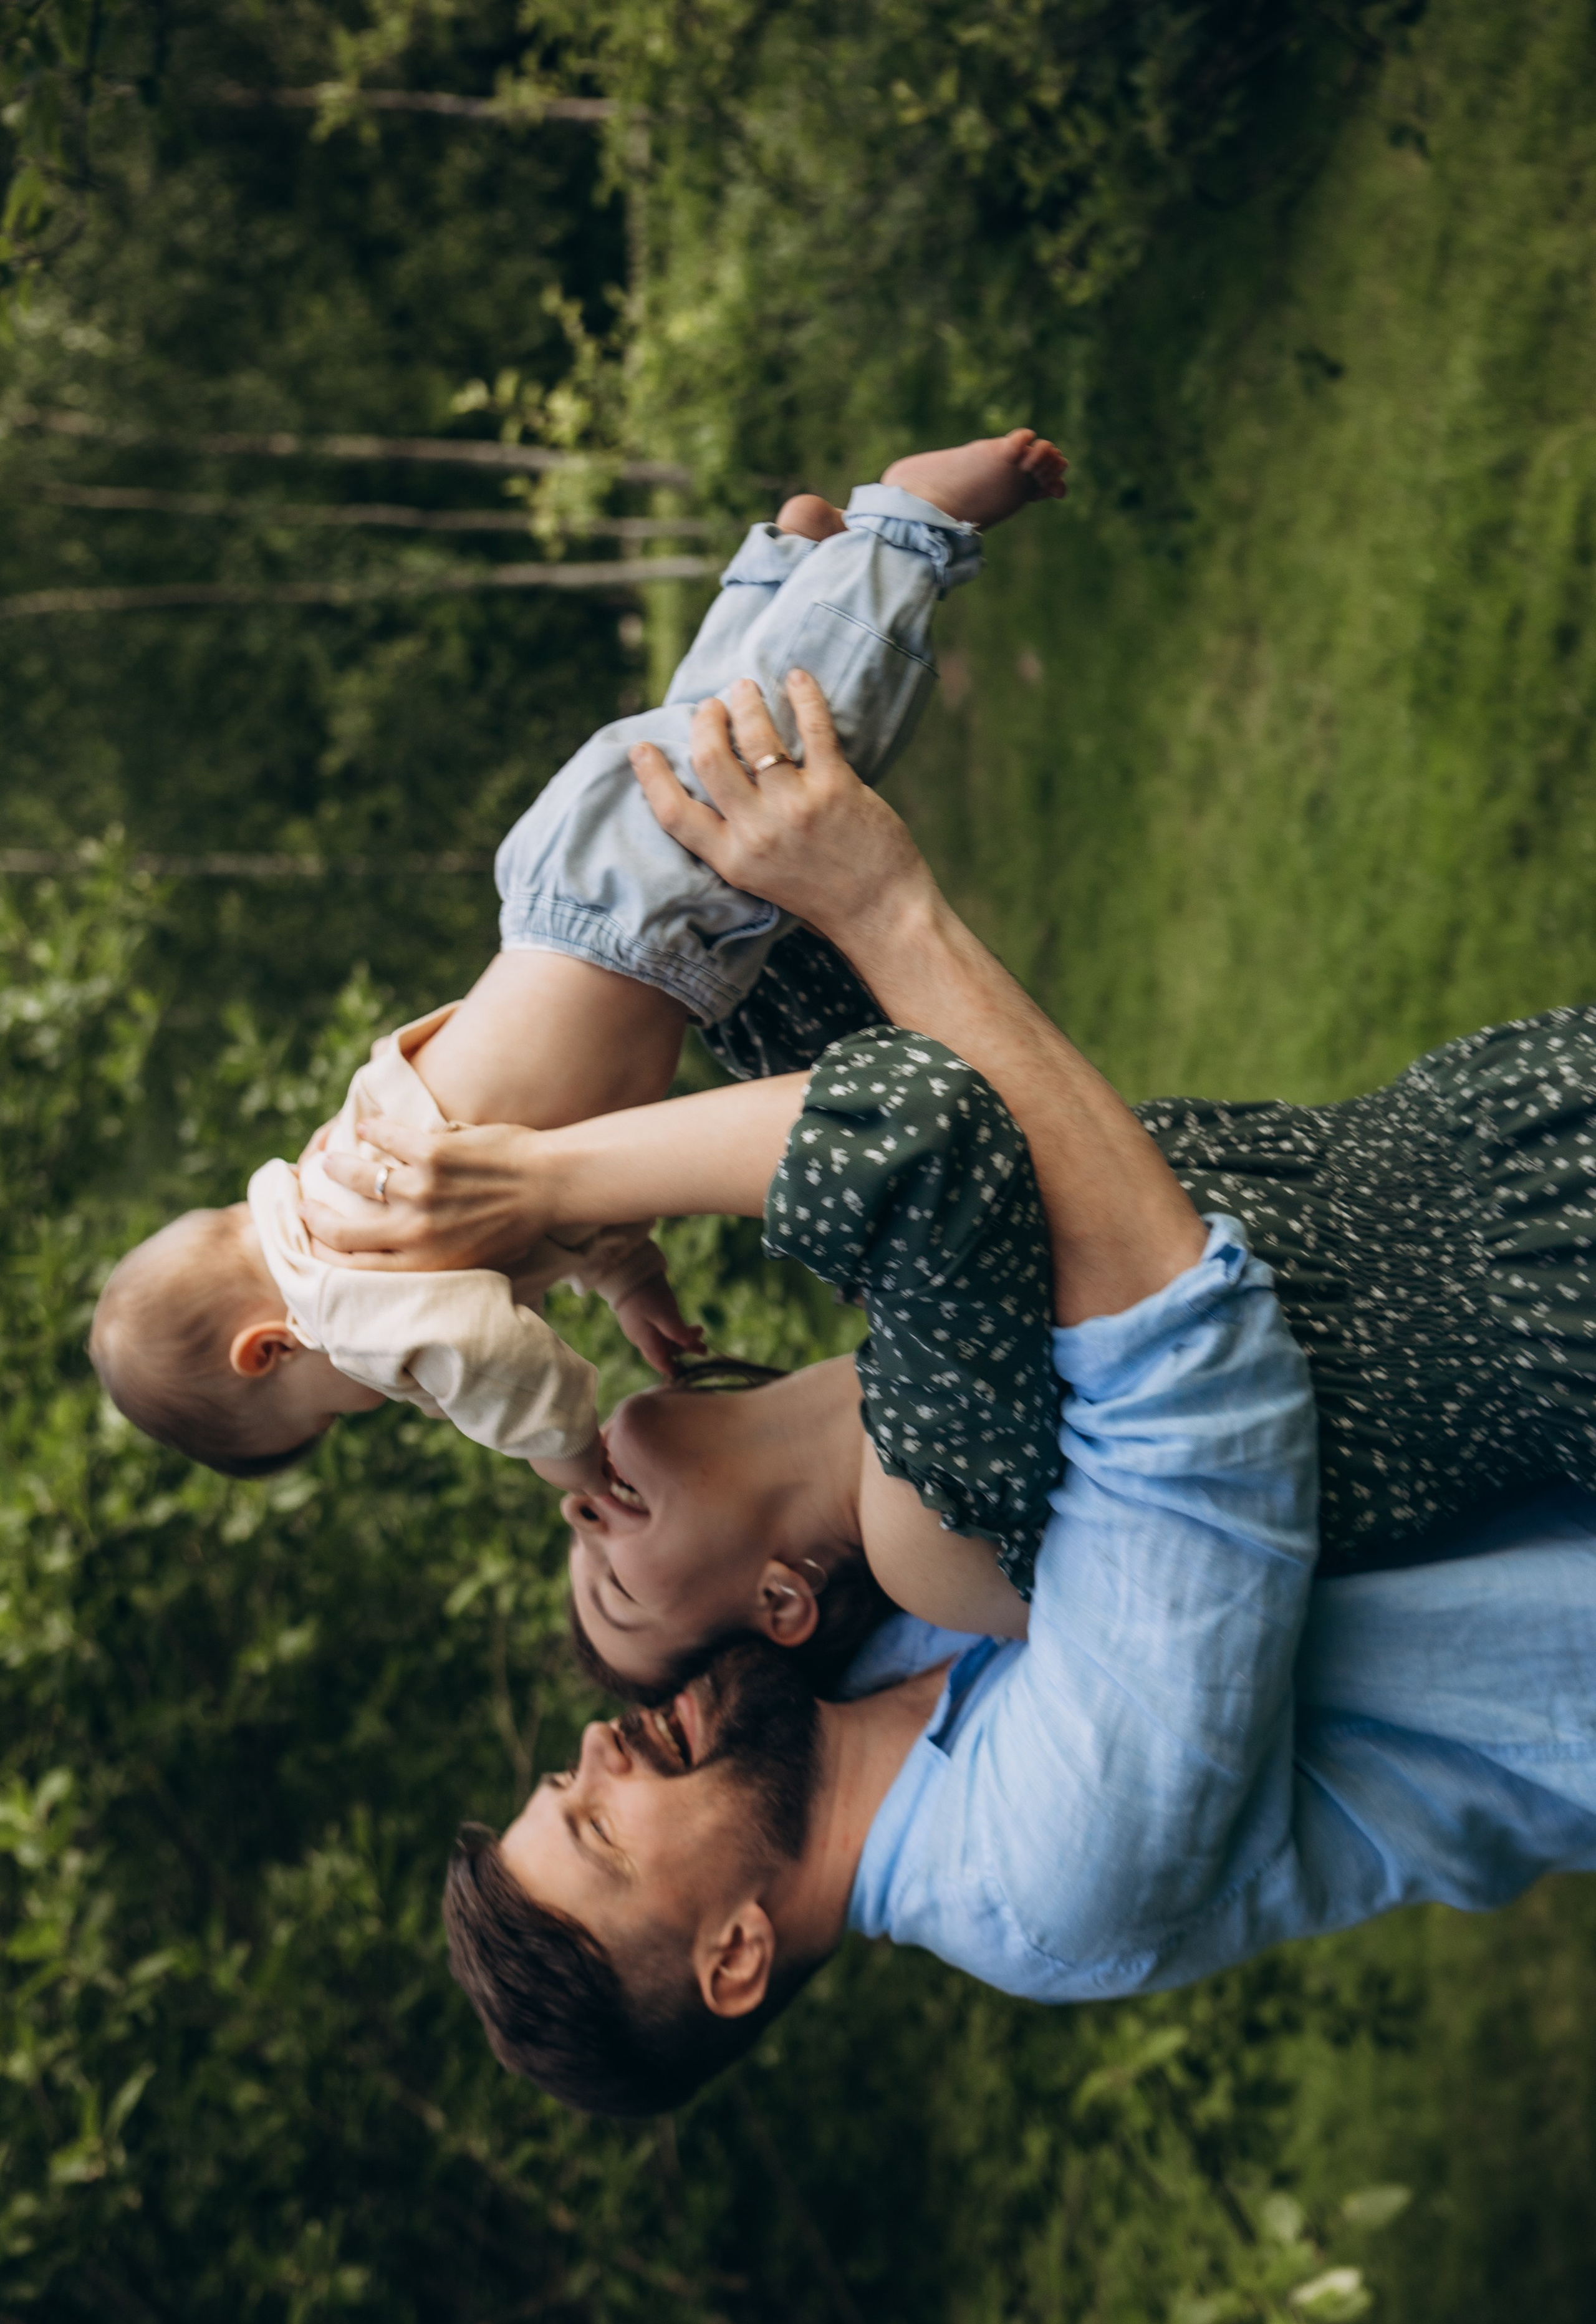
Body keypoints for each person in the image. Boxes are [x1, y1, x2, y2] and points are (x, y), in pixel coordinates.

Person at [406, 685, 1596, 2118]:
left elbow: (970, 1212)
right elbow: (1181, 1373)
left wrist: (805, 641)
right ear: (732, 1956)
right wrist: (880, 906)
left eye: (564, 1780)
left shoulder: (860, 1645)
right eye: (598, 1829)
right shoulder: (1044, 1872)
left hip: (1513, 1170)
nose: (598, 1747)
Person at [305, 675, 1596, 1697]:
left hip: (1513, 1120)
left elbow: (775, 953)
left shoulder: (905, 1333)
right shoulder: (934, 1550)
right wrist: (531, 1178)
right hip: (1562, 1327)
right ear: (779, 1603)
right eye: (616, 1584)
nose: (581, 1521)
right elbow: (914, 1123)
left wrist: (798, 622)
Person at [88, 430, 1068, 1484]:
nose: (368, 1401)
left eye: (328, 1418)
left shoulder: (342, 1294)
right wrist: (630, 1281)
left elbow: (493, 1364)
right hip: (570, 902)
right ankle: (786, 566)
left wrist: (574, 1463)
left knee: (812, 742)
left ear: (266, 1349)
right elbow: (556, 1195)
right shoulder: (342, 1193)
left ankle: (910, 527)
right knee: (713, 726)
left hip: (636, 926)